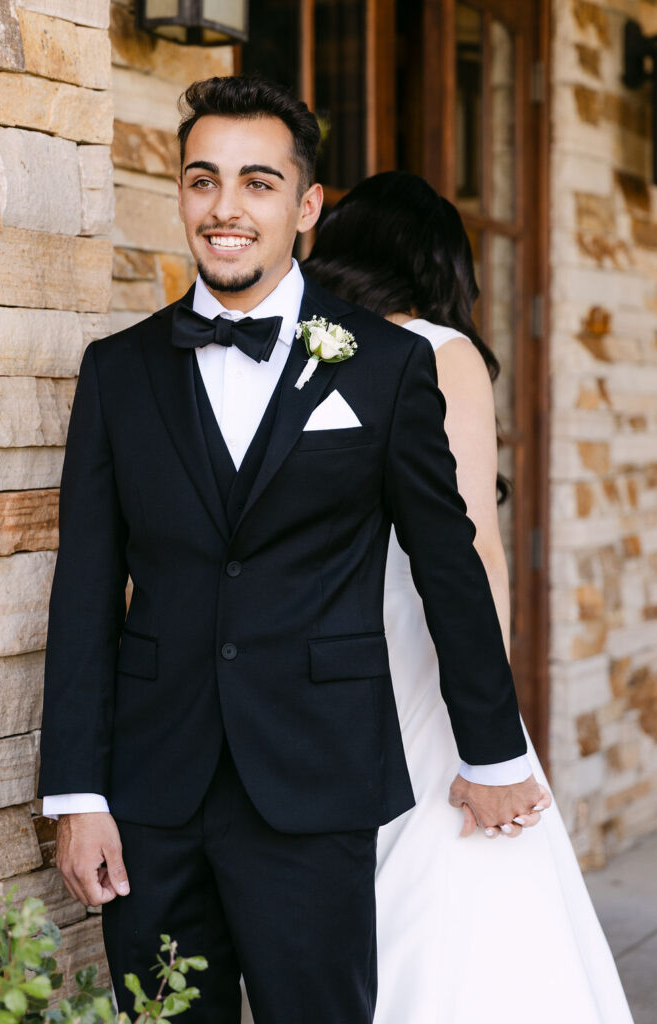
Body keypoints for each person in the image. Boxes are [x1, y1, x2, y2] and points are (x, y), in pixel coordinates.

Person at [38, 79, 547, 1024]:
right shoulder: (118, 371)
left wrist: (492, 751)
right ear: (180, 195)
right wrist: (77, 793)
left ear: (306, 207)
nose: (225, 208)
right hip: (151, 794)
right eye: (203, 180)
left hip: (316, 782)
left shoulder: (388, 366)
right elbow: (84, 588)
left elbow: (448, 562)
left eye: (257, 183)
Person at [294, 170, 634, 1024]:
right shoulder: (438, 352)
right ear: (442, 267)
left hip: (305, 655)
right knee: (456, 871)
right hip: (419, 647)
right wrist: (493, 721)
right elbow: (473, 543)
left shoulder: (293, 347)